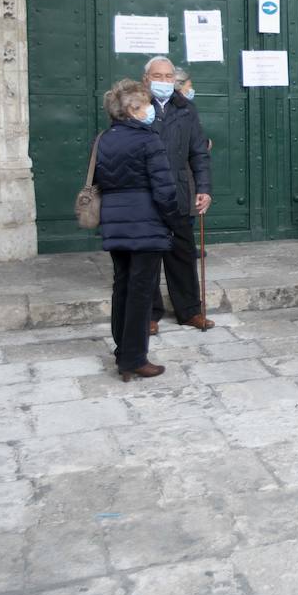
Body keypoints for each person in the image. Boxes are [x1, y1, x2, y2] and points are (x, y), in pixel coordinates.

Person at [93, 79, 179, 381]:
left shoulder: (103, 139)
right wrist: (173, 220)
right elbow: (164, 190)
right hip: (145, 222)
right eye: (145, 105)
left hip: (115, 221)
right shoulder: (148, 140)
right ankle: (134, 359)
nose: (151, 110)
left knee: (123, 287)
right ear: (132, 109)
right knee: (141, 292)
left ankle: (122, 352)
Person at [143, 57, 214, 334]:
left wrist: (204, 189)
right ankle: (149, 313)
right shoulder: (136, 107)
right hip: (146, 194)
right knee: (147, 255)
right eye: (157, 76)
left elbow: (199, 151)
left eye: (168, 76)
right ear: (146, 79)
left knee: (183, 255)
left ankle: (190, 311)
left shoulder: (186, 108)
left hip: (179, 192)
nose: (163, 81)